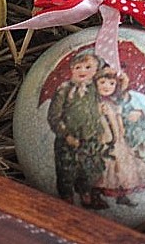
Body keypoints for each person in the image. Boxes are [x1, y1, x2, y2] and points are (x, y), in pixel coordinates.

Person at [46, 50, 107, 209]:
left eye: (88, 67)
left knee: (88, 168)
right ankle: (66, 197)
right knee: (66, 170)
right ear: (72, 69)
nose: (82, 71)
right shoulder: (64, 89)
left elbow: (94, 112)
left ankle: (85, 193)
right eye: (78, 67)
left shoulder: (94, 89)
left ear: (95, 71)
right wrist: (66, 135)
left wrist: (99, 127)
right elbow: (53, 115)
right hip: (68, 139)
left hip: (90, 137)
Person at [91, 66, 145, 207]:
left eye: (111, 83)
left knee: (123, 165)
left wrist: (124, 129)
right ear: (96, 84)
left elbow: (119, 120)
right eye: (102, 82)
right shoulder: (98, 104)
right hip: (106, 139)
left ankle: (122, 195)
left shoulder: (114, 102)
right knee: (107, 166)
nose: (107, 86)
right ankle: (96, 194)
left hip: (119, 139)